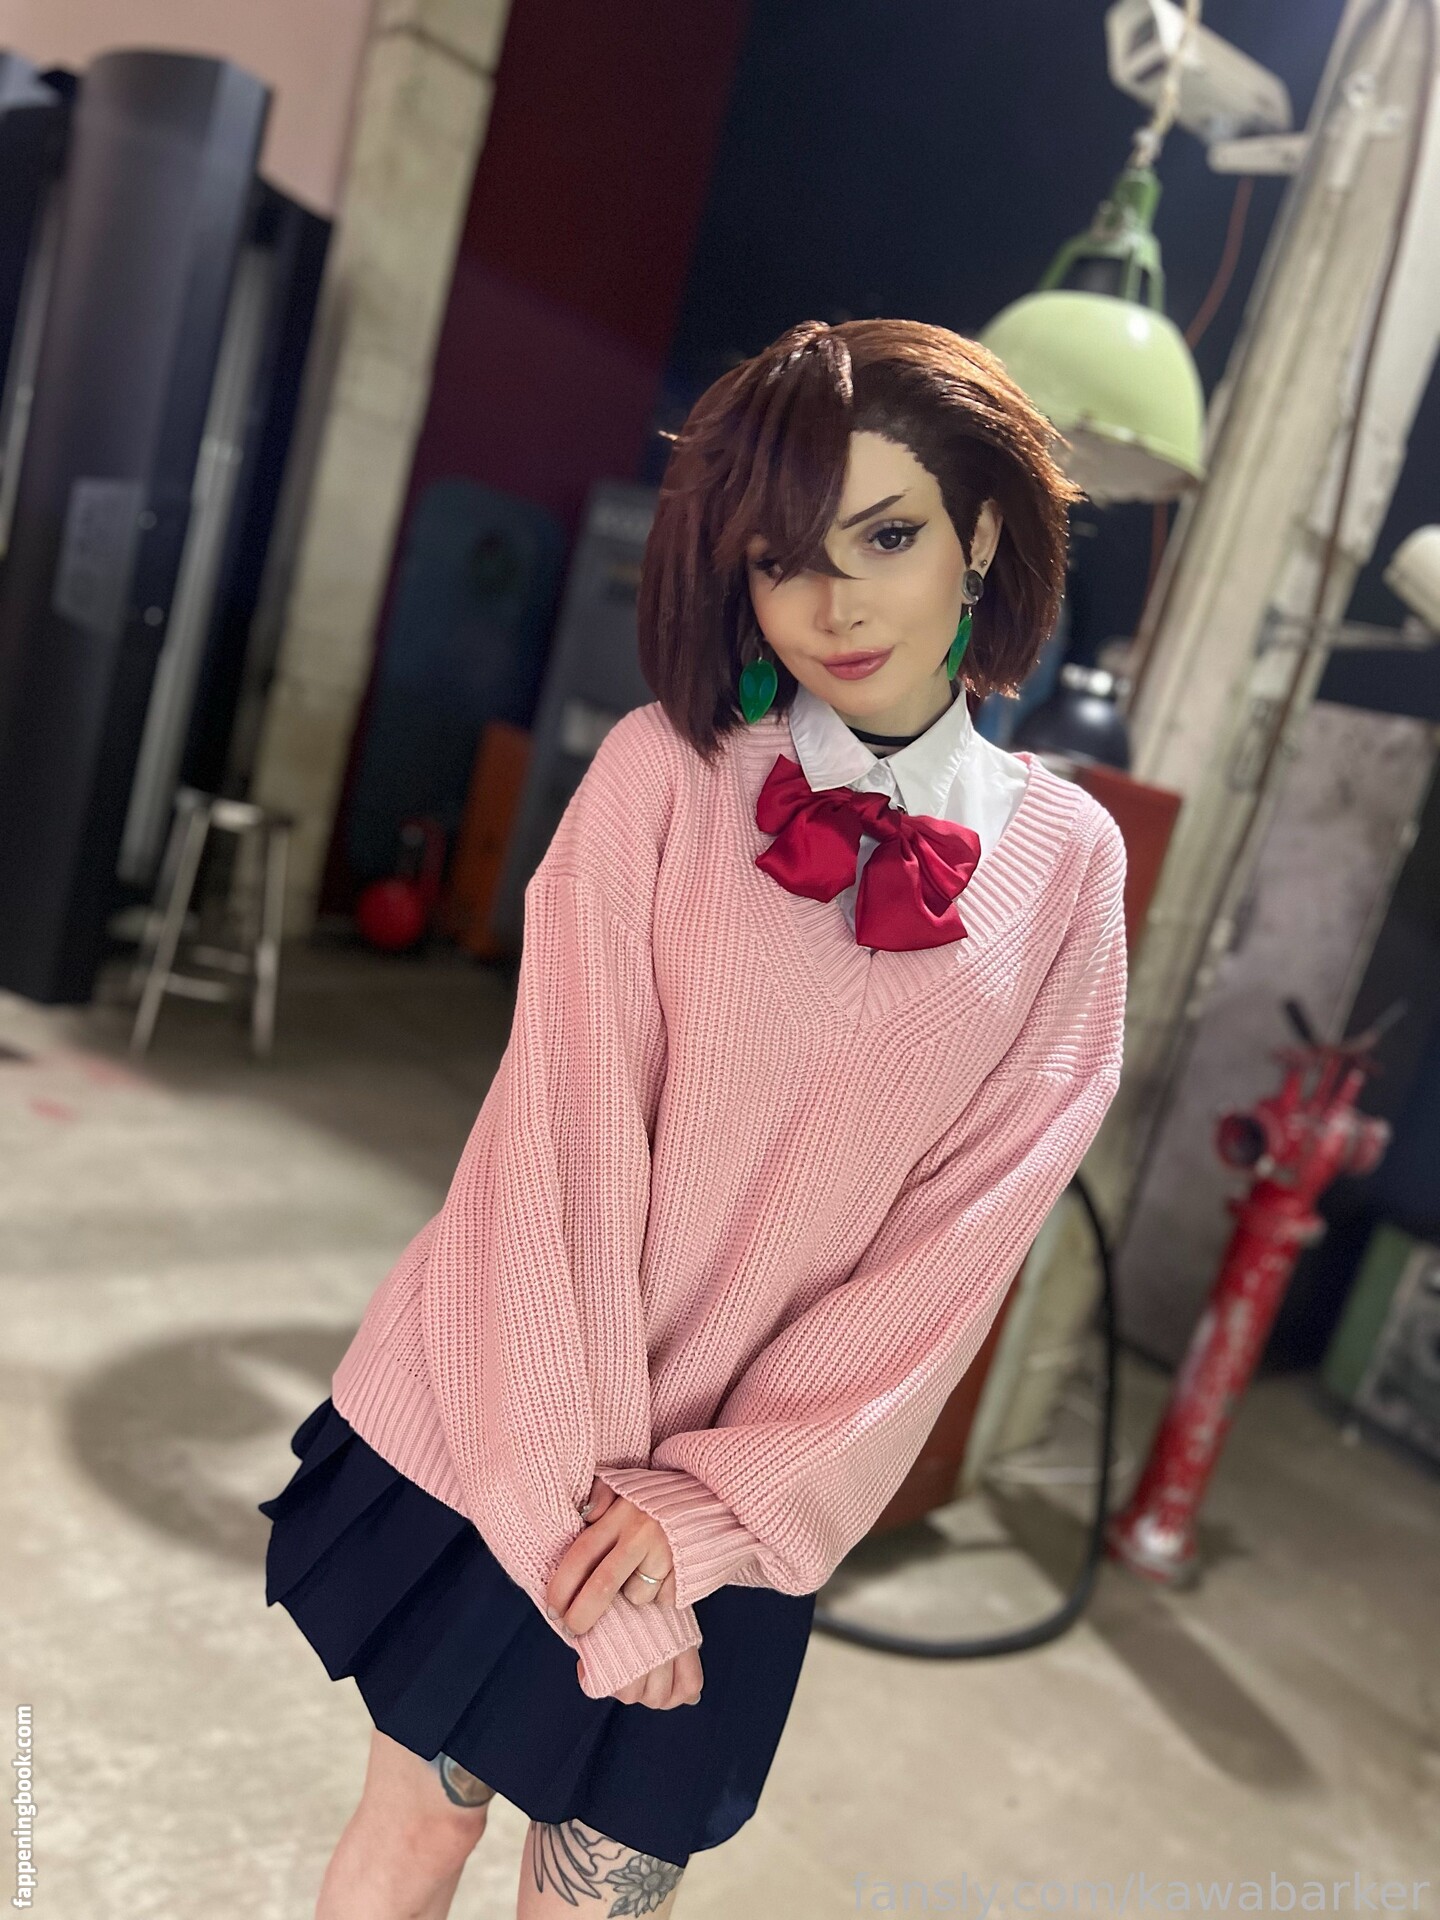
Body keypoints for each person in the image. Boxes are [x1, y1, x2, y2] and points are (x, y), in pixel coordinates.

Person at [257, 316, 1127, 1920]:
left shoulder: (1068, 866)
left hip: (740, 1510)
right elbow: (554, 1166)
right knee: (414, 1839)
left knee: (595, 1907)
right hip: (506, 1431)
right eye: (784, 559)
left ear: (985, 534)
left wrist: (707, 1518)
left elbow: (954, 1263)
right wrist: (580, 1524)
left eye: (887, 536)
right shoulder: (664, 774)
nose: (832, 603)